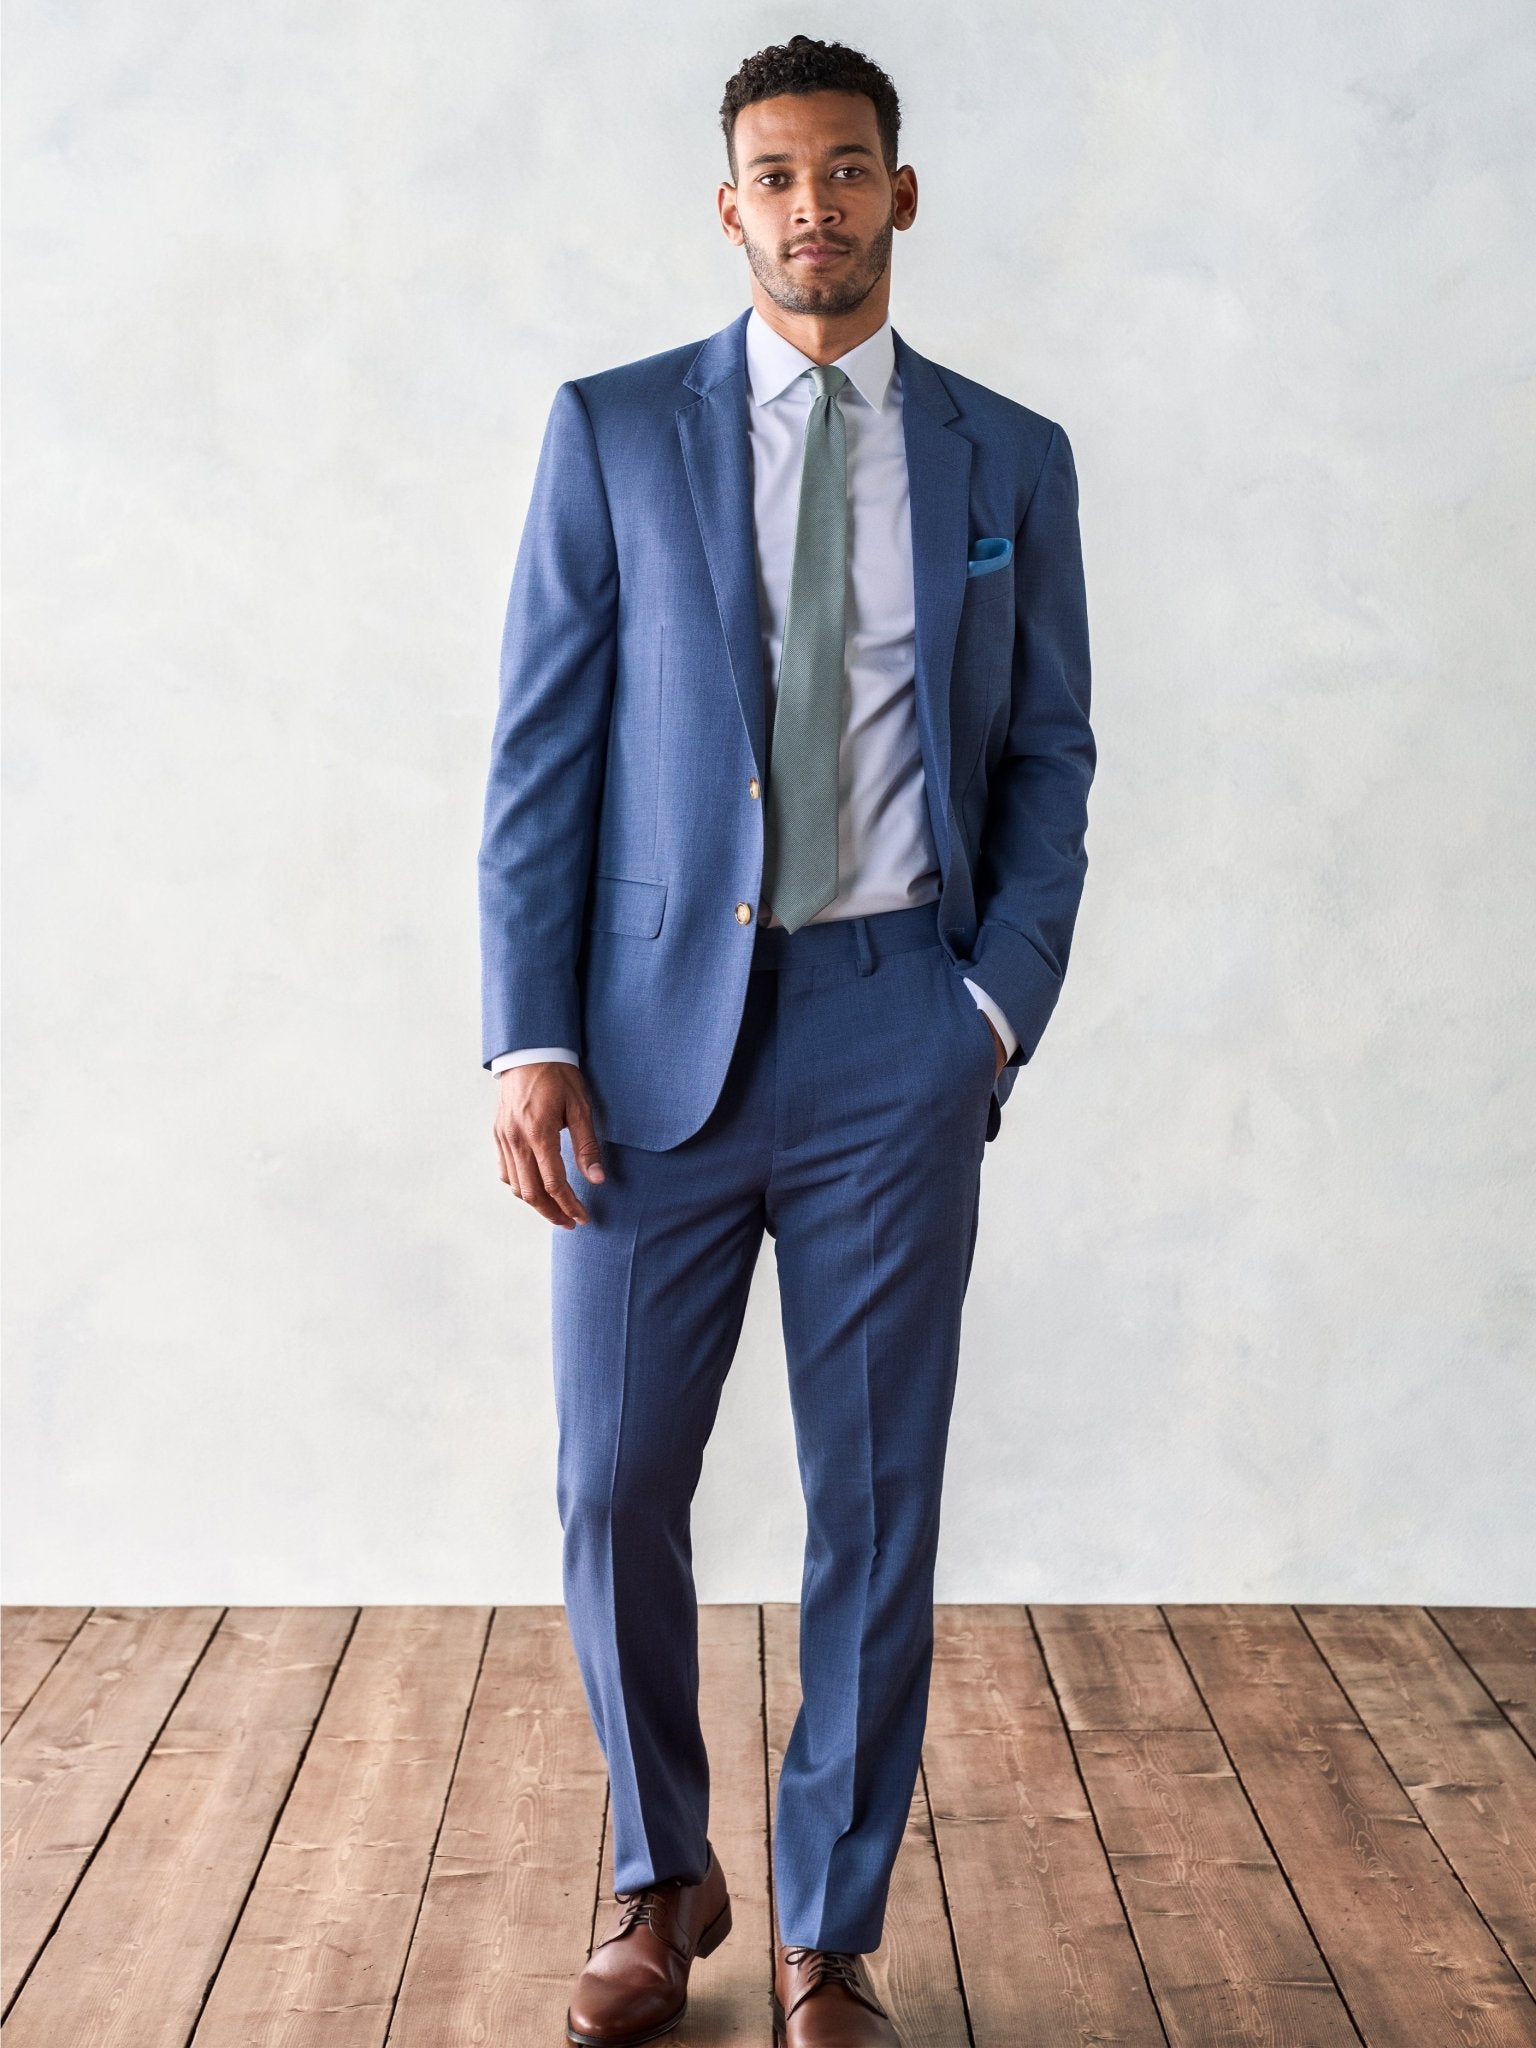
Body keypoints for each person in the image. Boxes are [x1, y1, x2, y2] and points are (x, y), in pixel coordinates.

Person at [478, 34, 1094, 2048]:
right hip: (648, 1052)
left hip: (890, 1037)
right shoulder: (613, 434)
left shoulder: (1012, 459)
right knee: (610, 1477)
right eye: (774, 172)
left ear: (900, 196)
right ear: (727, 206)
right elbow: (540, 763)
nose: (811, 202)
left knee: (874, 1497)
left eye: (846, 168)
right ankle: (665, 1879)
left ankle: (833, 1929)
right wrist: (527, 1036)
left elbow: (1056, 757)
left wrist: (987, 1010)